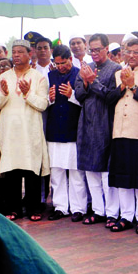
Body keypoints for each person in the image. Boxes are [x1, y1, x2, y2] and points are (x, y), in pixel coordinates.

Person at [0, 40, 50, 221]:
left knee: (31, 169)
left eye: (20, 52)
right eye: (14, 52)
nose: (16, 55)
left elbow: (42, 104)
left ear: (29, 53)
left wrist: (27, 94)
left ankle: (34, 208)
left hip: (29, 130)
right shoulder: (3, 77)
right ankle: (14, 208)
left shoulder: (39, 77)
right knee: (11, 170)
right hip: (10, 130)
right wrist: (2, 92)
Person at [106, 38, 138, 234]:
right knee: (122, 176)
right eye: (128, 52)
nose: (132, 56)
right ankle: (126, 215)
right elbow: (109, 99)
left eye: (136, 52)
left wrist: (134, 87)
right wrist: (122, 85)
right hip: (120, 131)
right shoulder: (118, 73)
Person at [75, 33, 122, 226]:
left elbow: (112, 96)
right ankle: (97, 210)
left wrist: (93, 81)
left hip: (105, 122)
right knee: (89, 170)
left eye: (97, 49)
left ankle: (112, 212)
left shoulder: (116, 69)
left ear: (106, 49)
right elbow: (78, 94)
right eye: (91, 50)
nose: (93, 53)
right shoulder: (86, 68)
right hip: (86, 122)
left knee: (105, 171)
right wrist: (85, 81)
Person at [45, 45, 87, 222]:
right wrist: (50, 98)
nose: (60, 66)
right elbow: (44, 101)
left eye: (63, 63)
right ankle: (60, 206)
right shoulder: (50, 75)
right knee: (57, 171)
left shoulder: (79, 74)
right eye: (57, 63)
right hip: (55, 129)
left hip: (73, 129)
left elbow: (86, 100)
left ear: (70, 59)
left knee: (76, 172)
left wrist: (72, 95)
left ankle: (79, 208)